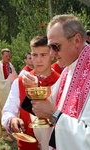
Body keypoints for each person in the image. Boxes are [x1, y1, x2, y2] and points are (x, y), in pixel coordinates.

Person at [22, 14, 90, 150]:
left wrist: (54, 115)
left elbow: (87, 138)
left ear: (76, 40)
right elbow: (47, 106)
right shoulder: (67, 71)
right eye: (50, 47)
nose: (52, 54)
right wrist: (35, 90)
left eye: (56, 46)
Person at [2, 35, 60, 150]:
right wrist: (12, 120)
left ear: (52, 56)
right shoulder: (20, 82)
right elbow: (8, 110)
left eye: (43, 55)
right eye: (34, 55)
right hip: (27, 144)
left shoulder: (61, 81)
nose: (38, 60)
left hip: (55, 144)